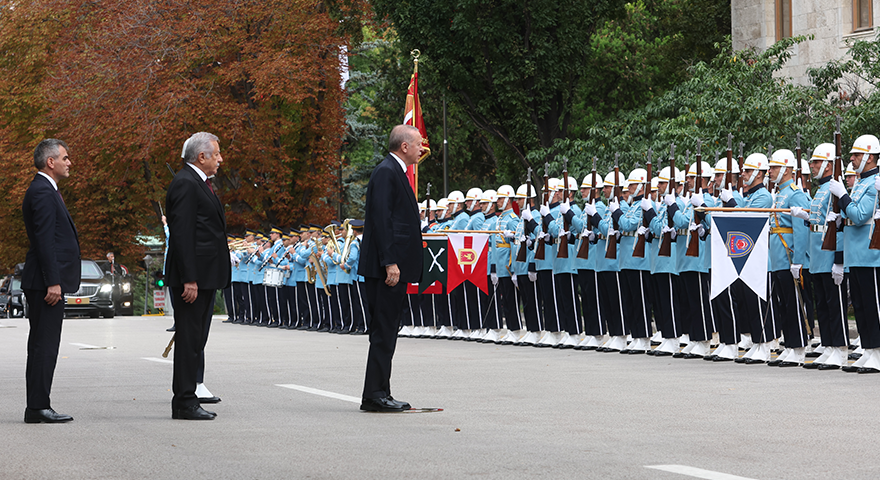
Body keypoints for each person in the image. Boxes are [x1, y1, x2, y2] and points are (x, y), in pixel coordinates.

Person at [165, 132, 231, 420]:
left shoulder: (199, 183)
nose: (220, 159)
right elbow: (182, 235)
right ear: (201, 156)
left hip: (205, 276)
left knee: (195, 340)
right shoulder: (185, 183)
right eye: (216, 154)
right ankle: (184, 402)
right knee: (189, 340)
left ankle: (188, 396)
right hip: (193, 279)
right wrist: (189, 278)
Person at [358, 124, 424, 412]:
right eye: (419, 143)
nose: (423, 148)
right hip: (386, 268)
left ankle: (380, 390)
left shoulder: (396, 171)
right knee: (384, 331)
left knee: (387, 330)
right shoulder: (387, 171)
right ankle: (375, 395)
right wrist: (390, 262)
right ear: (404, 146)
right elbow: (382, 220)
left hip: (391, 265)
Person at [21, 139, 80, 424]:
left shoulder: (45, 189)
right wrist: (53, 282)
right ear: (50, 162)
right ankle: (38, 407)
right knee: (44, 346)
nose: (70, 163)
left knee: (42, 345)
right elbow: (45, 241)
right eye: (65, 158)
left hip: (44, 280)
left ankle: (37, 405)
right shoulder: (43, 191)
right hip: (45, 284)